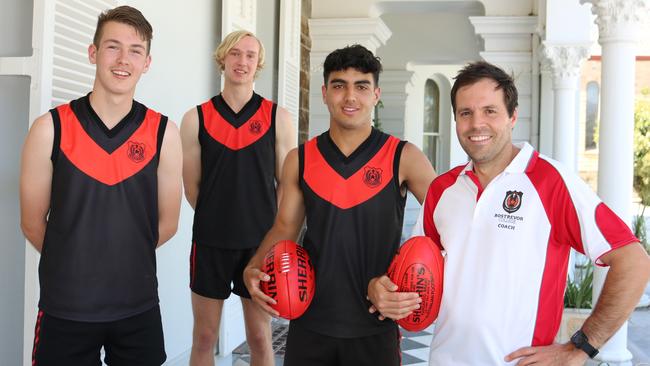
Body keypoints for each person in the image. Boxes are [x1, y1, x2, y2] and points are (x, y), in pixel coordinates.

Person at [406, 61, 650, 365]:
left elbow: (633, 261)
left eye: (490, 111)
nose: (476, 124)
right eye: (465, 113)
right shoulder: (442, 189)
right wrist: (387, 291)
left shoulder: (551, 181)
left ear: (513, 117)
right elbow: (415, 269)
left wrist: (580, 347)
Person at [243, 44, 436, 366]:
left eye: (361, 86)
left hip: (376, 322)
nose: (350, 97)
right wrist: (253, 265)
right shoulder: (300, 159)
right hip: (310, 320)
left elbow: (447, 222)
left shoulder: (404, 157)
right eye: (339, 85)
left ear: (375, 94)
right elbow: (284, 228)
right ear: (324, 92)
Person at [20, 5, 182, 365]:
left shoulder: (163, 134)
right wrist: (79, 261)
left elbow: (168, 223)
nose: (123, 59)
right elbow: (32, 222)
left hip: (137, 306)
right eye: (112, 46)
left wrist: (118, 259)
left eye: (135, 50)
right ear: (93, 53)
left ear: (147, 62)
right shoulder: (50, 129)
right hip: (67, 307)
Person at [180, 30, 296, 366]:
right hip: (210, 241)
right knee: (204, 337)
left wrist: (266, 228)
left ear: (258, 63)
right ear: (222, 58)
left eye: (249, 55)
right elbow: (193, 188)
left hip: (259, 245)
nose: (241, 61)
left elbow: (286, 184)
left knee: (260, 337)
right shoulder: (196, 118)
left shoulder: (277, 117)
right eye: (235, 53)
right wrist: (221, 216)